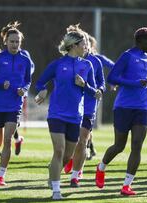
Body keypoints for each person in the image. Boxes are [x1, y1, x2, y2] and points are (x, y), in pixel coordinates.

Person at [35, 24, 98, 200]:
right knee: (59, 150)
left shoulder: (87, 65)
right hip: (56, 113)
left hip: (75, 116)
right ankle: (56, 191)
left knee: (67, 155)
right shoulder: (57, 64)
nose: (86, 47)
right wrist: (43, 90)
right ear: (73, 45)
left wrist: (84, 85)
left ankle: (52, 172)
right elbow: (40, 82)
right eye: (84, 44)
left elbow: (93, 91)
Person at [95, 27, 147, 196]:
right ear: (139, 41)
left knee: (137, 145)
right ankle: (101, 167)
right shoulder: (127, 55)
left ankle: (126, 185)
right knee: (119, 146)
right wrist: (136, 82)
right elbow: (112, 78)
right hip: (123, 107)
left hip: (142, 107)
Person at [0, 21, 32, 186]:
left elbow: (28, 81)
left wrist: (24, 90)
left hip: (14, 106)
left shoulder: (25, 60)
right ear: (5, 42)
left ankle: (1, 176)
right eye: (12, 41)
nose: (15, 44)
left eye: (17, 42)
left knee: (8, 139)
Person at [67, 33, 105, 187]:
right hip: (73, 106)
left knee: (82, 140)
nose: (85, 46)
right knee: (72, 141)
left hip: (89, 107)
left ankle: (75, 175)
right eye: (83, 44)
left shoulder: (95, 61)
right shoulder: (70, 61)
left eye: (87, 44)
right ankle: (70, 158)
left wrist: (100, 90)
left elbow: (101, 82)